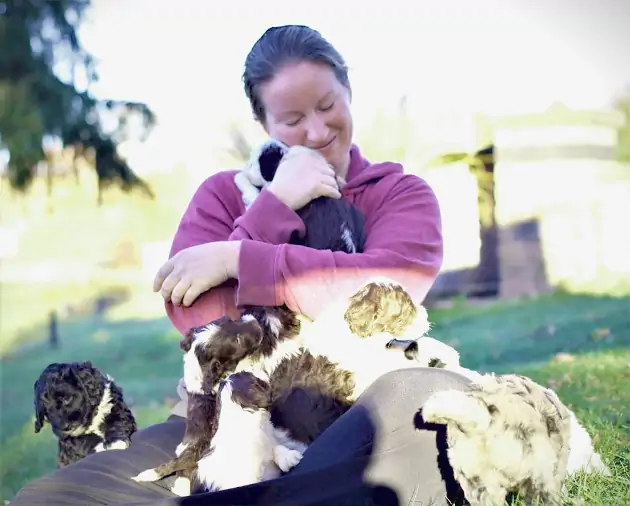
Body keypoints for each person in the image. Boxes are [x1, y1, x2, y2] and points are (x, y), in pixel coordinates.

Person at [11, 25, 473, 506]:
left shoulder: (399, 194)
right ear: (263, 121)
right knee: (52, 498)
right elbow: (206, 325)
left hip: (353, 408)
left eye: (328, 105)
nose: (316, 131)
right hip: (223, 422)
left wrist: (234, 256)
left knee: (426, 407)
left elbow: (384, 296)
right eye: (292, 118)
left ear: (348, 91)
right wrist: (274, 206)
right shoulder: (222, 196)